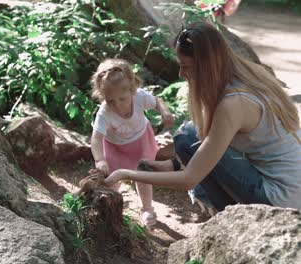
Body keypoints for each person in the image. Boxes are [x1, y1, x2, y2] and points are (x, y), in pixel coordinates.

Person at [104, 22, 301, 212]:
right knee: (191, 134)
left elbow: (190, 178)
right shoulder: (247, 76)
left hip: (279, 199)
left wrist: (127, 174)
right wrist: (171, 164)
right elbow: (215, 145)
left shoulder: (233, 104)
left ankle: (231, 213)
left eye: (186, 66)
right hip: (293, 188)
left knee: (187, 137)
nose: (181, 74)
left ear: (207, 65)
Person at [89, 58, 175, 226]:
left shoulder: (140, 97)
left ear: (132, 89)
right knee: (112, 180)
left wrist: (165, 113)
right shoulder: (105, 112)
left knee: (143, 177)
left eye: (122, 99)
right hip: (115, 148)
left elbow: (157, 101)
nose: (117, 105)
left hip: (141, 142)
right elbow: (96, 138)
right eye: (110, 100)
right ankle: (111, 209)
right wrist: (100, 159)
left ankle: (147, 208)